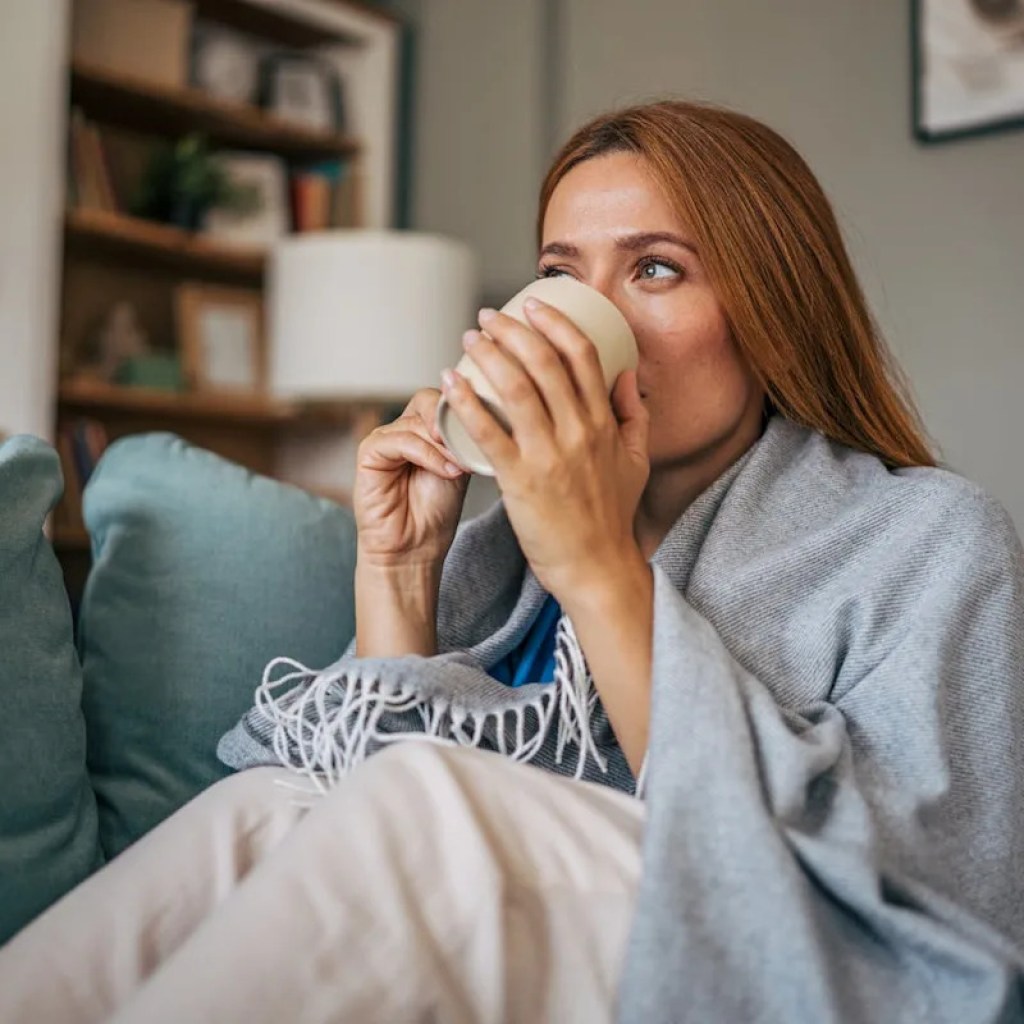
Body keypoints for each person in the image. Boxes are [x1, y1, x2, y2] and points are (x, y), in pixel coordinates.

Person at [2, 99, 1023, 1024]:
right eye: (560, 274)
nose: (593, 320)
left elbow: (911, 905)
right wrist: (399, 576)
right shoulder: (504, 560)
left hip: (746, 952)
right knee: (265, 805)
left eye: (655, 268)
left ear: (771, 315)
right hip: (505, 941)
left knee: (428, 801)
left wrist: (597, 564)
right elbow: (340, 818)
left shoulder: (927, 538)